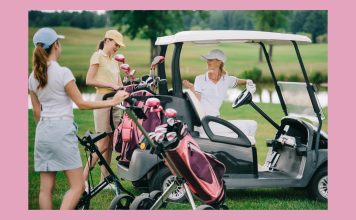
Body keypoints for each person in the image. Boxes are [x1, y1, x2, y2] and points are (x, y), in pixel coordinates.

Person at [28, 27, 129, 210]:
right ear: (56, 46)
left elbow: (37, 113)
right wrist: (112, 101)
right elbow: (82, 103)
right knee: (78, 186)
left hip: (42, 133)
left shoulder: (31, 77)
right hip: (62, 132)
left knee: (45, 190)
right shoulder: (63, 72)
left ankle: (104, 179)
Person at [83, 30, 126, 189]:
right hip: (102, 100)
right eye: (116, 44)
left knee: (110, 142)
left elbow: (119, 83)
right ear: (107, 40)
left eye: (119, 46)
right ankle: (82, 180)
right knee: (101, 144)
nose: (117, 48)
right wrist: (112, 86)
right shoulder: (97, 56)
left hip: (114, 101)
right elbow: (89, 80)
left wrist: (124, 89)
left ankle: (104, 181)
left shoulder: (114, 61)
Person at [183, 49, 256, 117]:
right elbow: (197, 99)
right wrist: (191, 87)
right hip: (204, 119)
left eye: (211, 60)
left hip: (216, 118)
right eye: (207, 60)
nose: (208, 62)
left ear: (219, 62)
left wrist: (249, 82)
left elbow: (239, 81)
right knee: (251, 125)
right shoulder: (200, 79)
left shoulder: (226, 80)